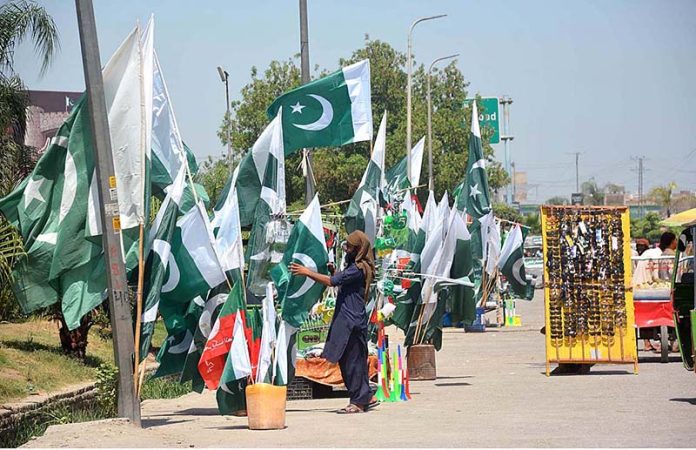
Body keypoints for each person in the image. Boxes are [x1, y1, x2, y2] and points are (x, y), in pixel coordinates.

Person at [290, 230, 376, 414]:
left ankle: (358, 401)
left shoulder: (358, 269)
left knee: (352, 361)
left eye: (350, 246)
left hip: (350, 320)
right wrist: (334, 271)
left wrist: (306, 272)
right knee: (353, 359)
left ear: (359, 249)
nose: (347, 249)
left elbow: (332, 282)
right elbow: (340, 279)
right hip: (351, 317)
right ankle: (366, 395)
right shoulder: (357, 267)